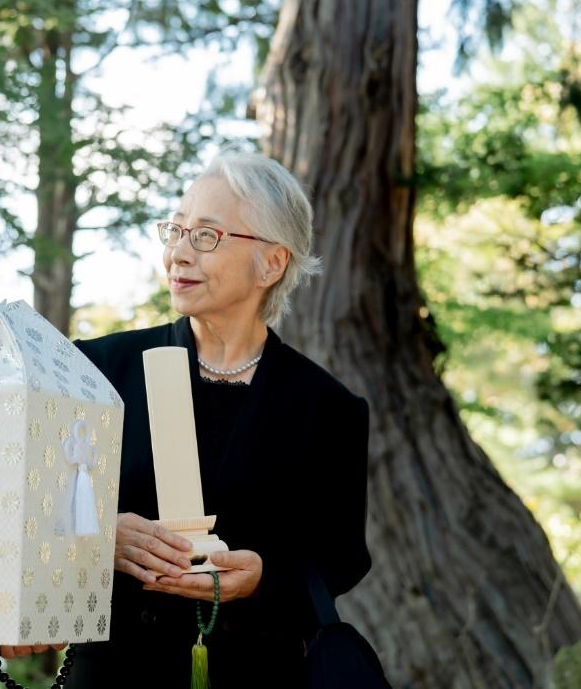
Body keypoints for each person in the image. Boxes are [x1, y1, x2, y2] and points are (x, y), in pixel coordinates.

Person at [68, 152, 373, 688]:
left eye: (206, 236)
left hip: (261, 672)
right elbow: (35, 504)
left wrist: (263, 577)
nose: (178, 254)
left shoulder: (328, 407)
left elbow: (342, 558)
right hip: (115, 672)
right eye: (176, 231)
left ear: (272, 263)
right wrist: (101, 536)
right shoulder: (98, 369)